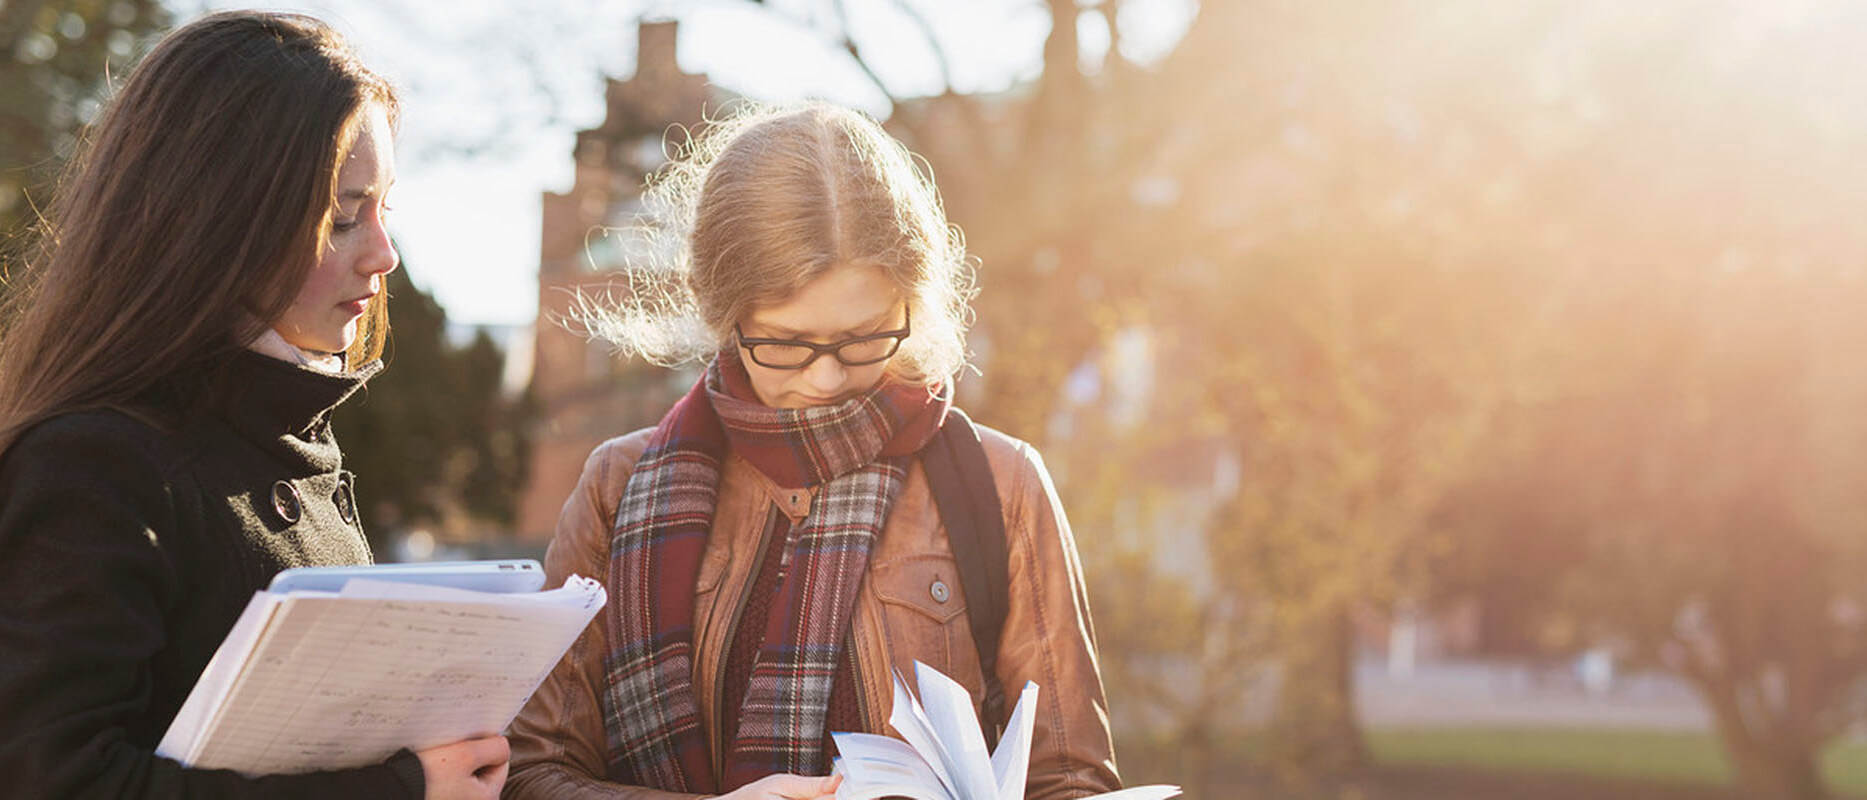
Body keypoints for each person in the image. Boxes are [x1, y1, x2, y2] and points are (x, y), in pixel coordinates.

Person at [504, 103, 1121, 800]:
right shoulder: (618, 486)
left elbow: (1070, 780)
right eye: (786, 344)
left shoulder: (999, 484)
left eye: (863, 337)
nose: (826, 380)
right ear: (724, 315)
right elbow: (531, 776)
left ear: (912, 304)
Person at [0, 12, 506, 799]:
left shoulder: (296, 437)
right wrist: (400, 790)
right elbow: (54, 778)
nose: (383, 254)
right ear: (217, 219)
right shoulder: (93, 463)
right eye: (342, 216)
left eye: (385, 208)